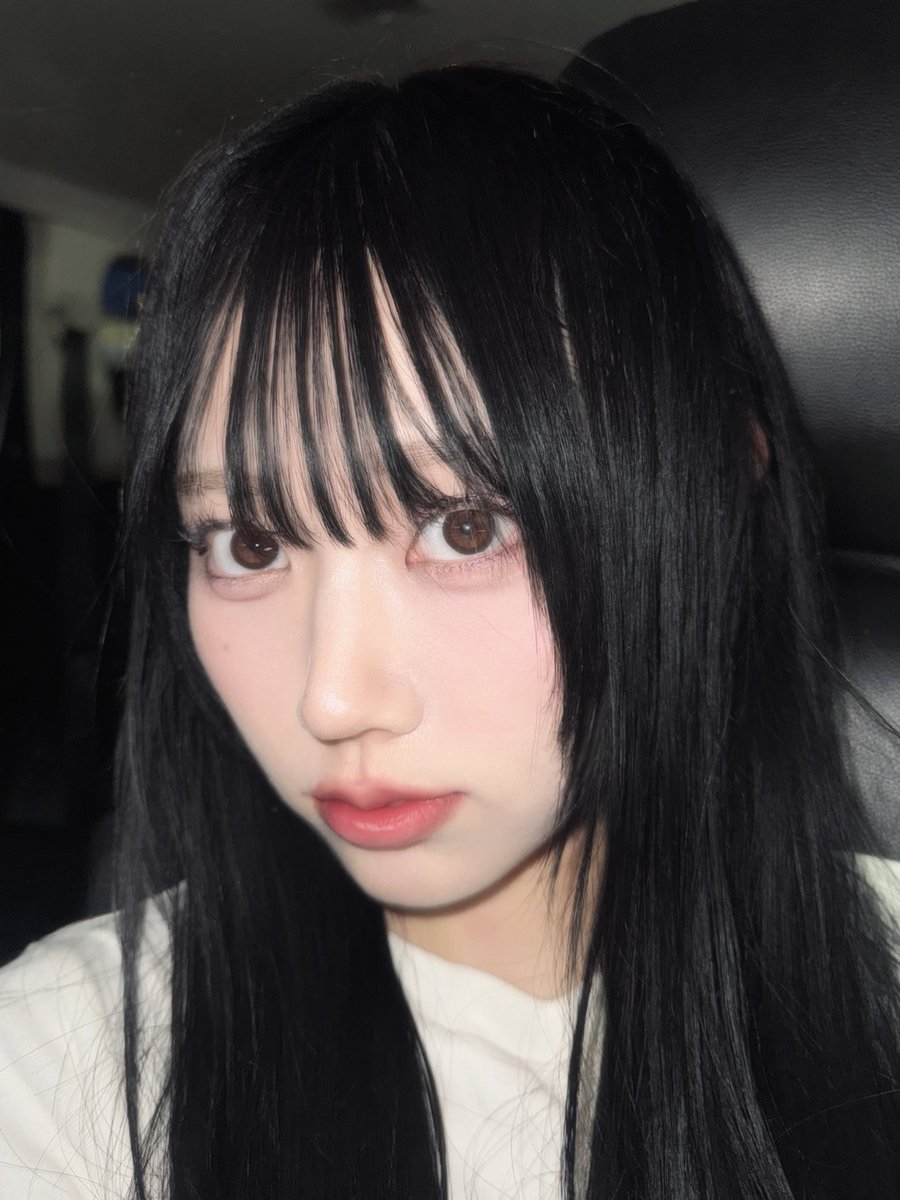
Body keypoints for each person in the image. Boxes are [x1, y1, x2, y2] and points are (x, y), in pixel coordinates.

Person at [2, 63, 899, 1200]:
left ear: (717, 487)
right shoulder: (62, 1067)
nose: (332, 698)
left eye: (465, 526)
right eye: (248, 544)